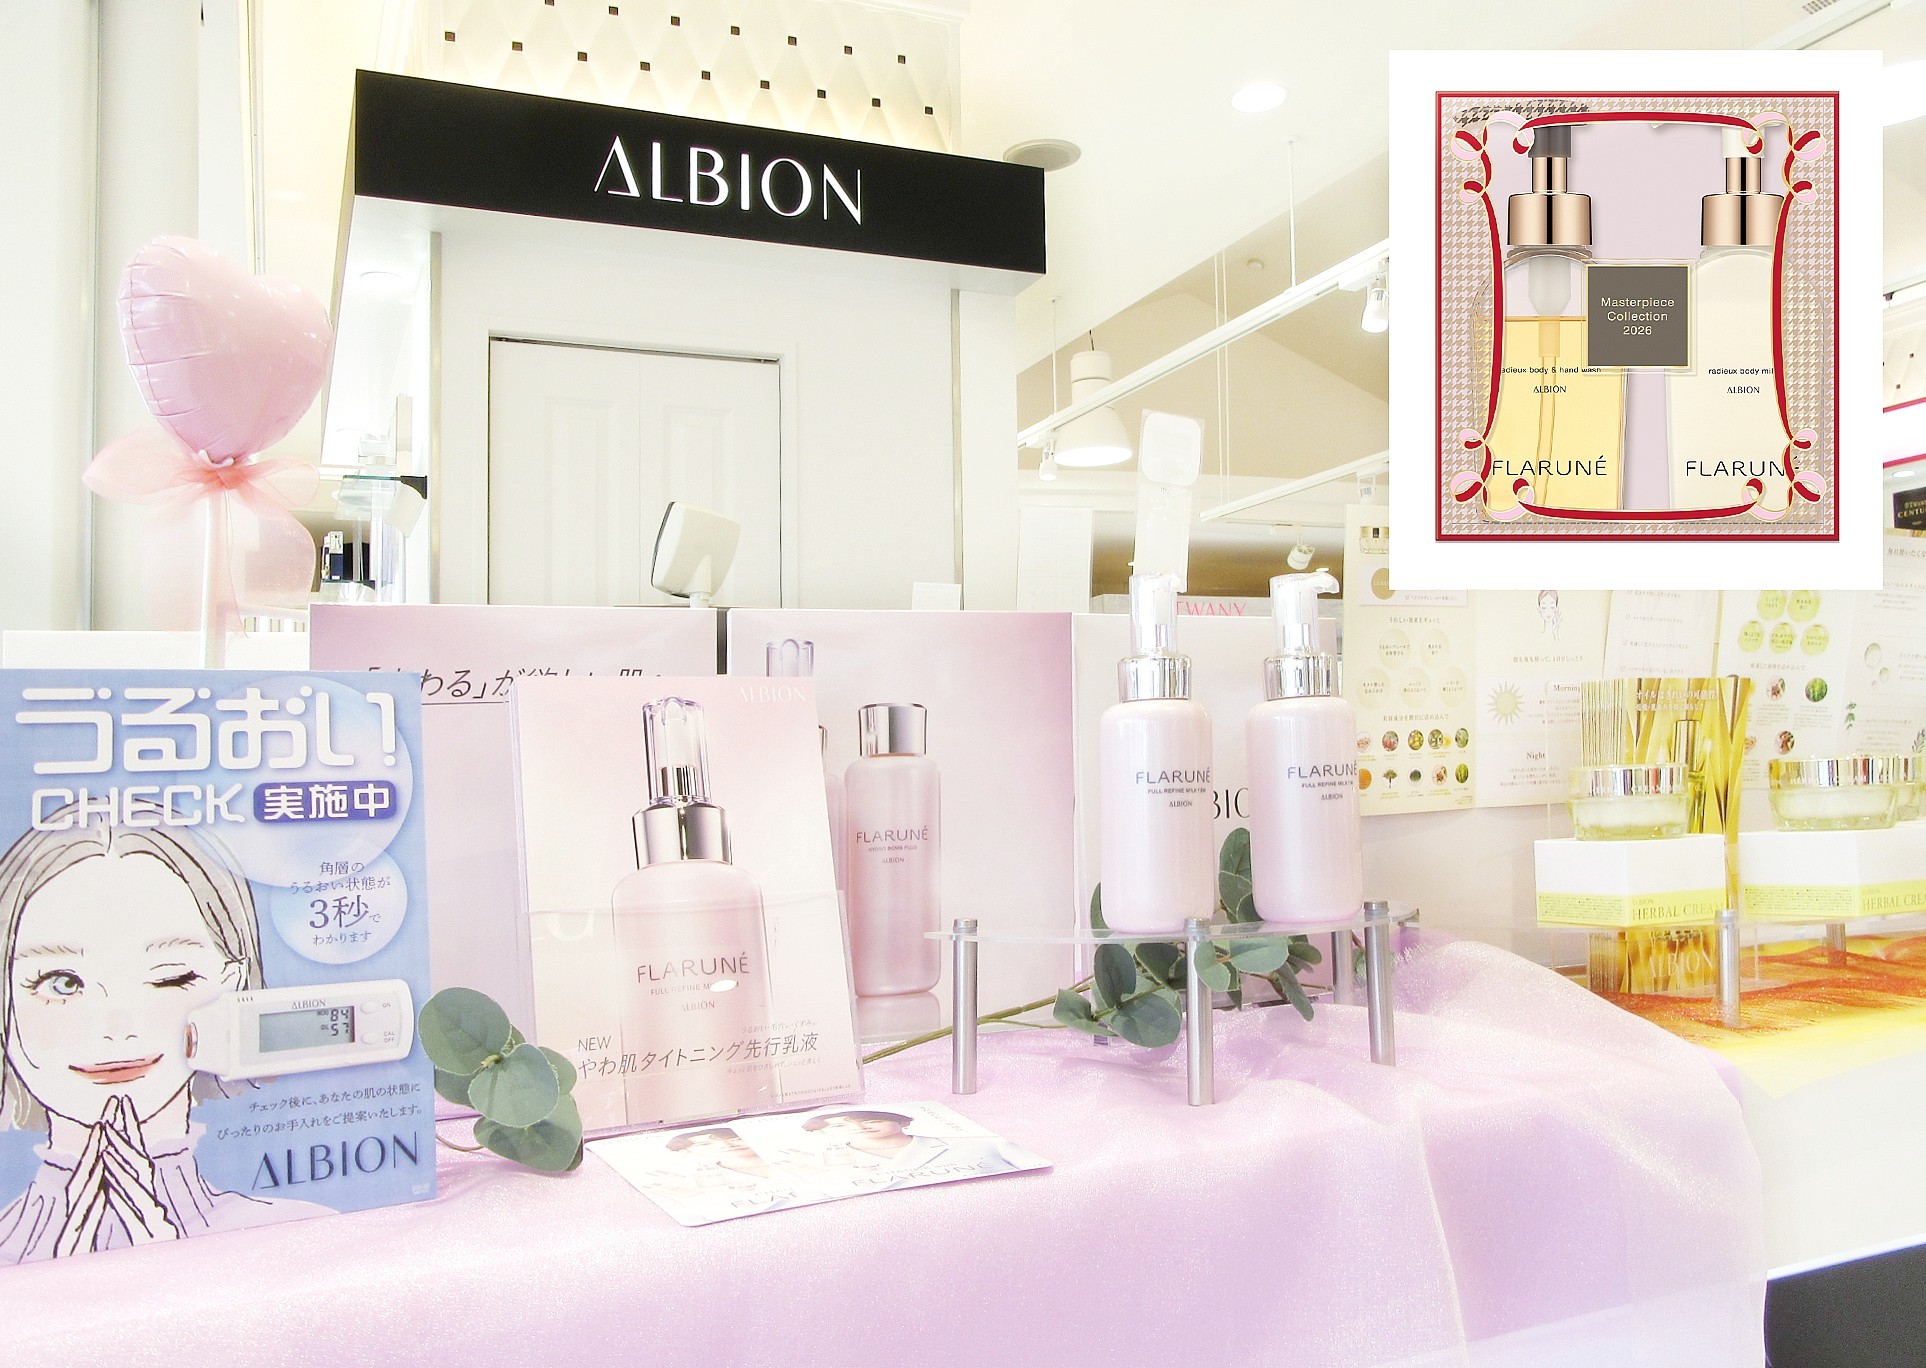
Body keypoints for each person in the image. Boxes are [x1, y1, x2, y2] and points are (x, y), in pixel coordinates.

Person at [0, 810, 327, 1261]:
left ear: (231, 982)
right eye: (62, 983)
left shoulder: (303, 1232)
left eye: (170, 978)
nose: (115, 1029)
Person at [795, 1109, 1030, 1182]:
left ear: (903, 1122)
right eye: (839, 1126)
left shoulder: (981, 1144)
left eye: (872, 1121)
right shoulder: (809, 1165)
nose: (860, 1128)